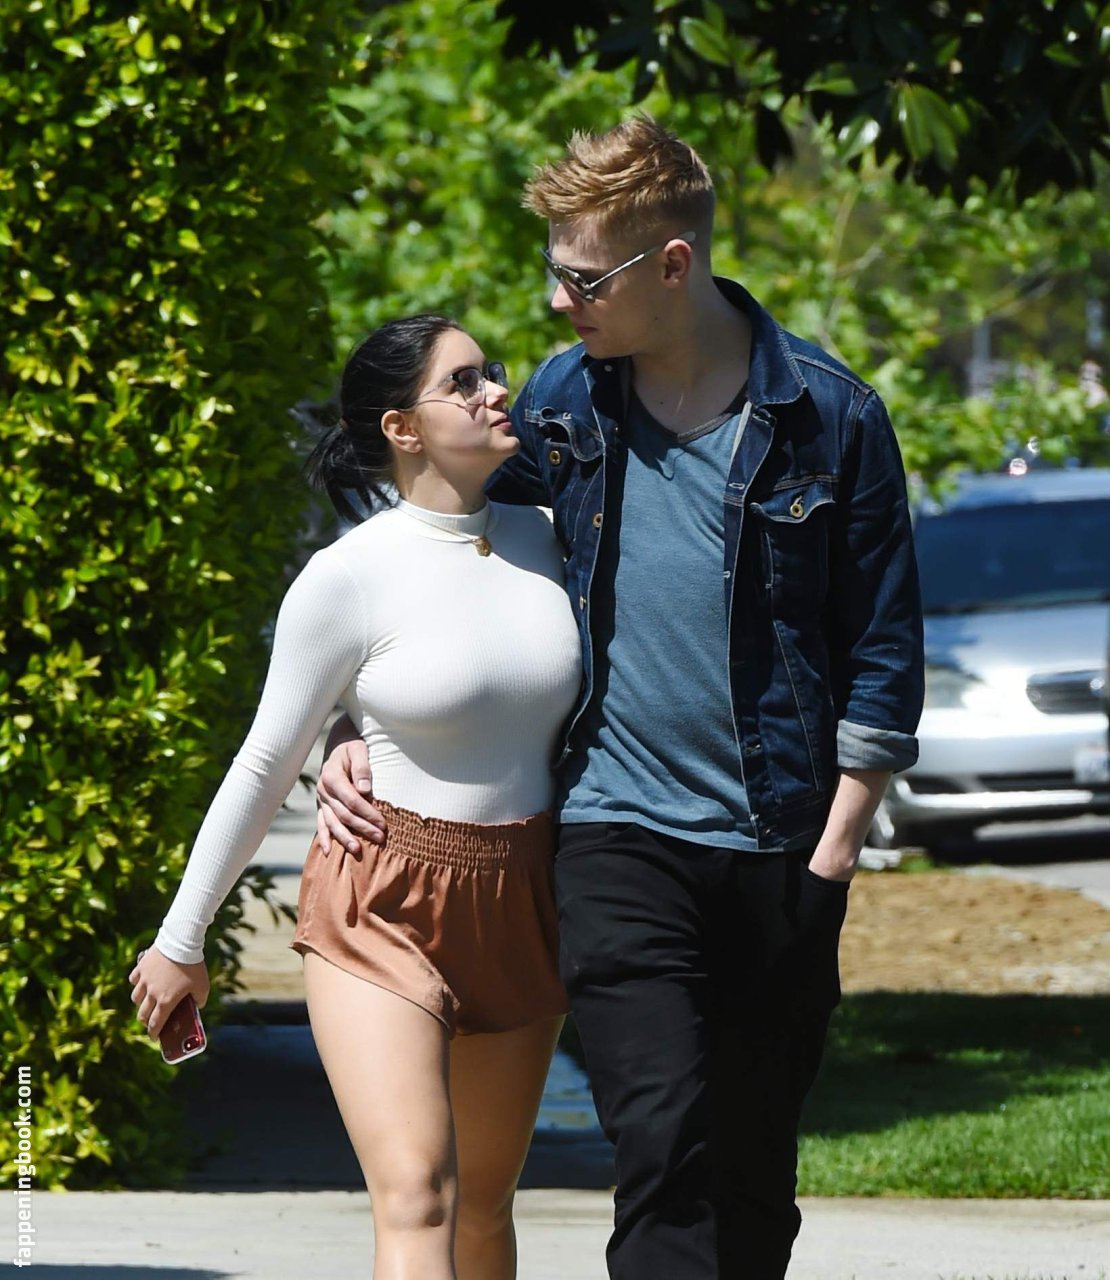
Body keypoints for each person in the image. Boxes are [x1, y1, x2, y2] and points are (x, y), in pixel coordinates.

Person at [316, 117, 925, 1280]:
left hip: (782, 838)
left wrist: (838, 843)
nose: (559, 302)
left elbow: (883, 642)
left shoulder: (831, 416)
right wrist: (354, 718)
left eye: (584, 278)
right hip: (614, 831)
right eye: (557, 271)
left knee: (753, 1162)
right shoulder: (565, 399)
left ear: (674, 263)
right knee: (661, 1140)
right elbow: (435, 551)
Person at [128, 314, 583, 1280]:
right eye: (463, 382)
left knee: (485, 1205)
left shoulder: (554, 540)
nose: (496, 392)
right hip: (382, 902)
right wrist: (181, 938)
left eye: (492, 372)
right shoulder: (346, 577)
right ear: (401, 428)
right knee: (418, 1193)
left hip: (523, 896)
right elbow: (264, 760)